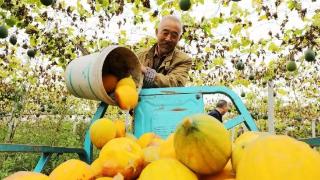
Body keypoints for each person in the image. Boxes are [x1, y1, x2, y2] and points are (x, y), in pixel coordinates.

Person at [137, 15, 192, 88]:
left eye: (174, 36)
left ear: (179, 38)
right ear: (157, 32)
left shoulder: (184, 60)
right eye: (165, 33)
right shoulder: (139, 55)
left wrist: (147, 73)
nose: (168, 39)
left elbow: (176, 83)